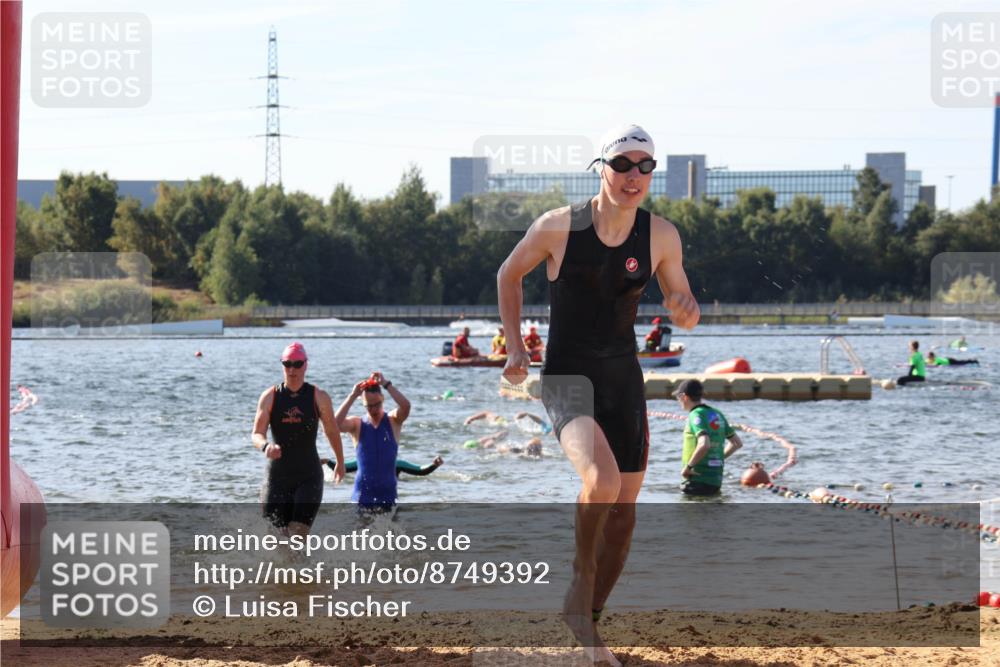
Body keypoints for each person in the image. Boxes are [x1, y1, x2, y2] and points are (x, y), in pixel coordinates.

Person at [497, 123, 699, 666]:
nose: (634, 176)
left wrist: (686, 307)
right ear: (602, 168)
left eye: (645, 167)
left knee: (625, 513)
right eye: (624, 165)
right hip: (567, 374)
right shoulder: (559, 227)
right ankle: (578, 591)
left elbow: (680, 292)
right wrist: (516, 348)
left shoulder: (661, 235)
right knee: (602, 480)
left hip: (622, 378)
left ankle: (587, 617)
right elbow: (508, 275)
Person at [253, 342, 345, 536]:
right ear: (282, 365)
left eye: (297, 364)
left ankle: (304, 567)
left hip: (308, 476)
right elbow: (257, 433)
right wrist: (265, 446)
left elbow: (332, 431)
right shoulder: (270, 397)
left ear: (306, 365)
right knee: (275, 542)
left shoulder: (319, 397)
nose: (292, 369)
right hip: (276, 477)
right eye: (287, 364)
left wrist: (341, 462)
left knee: (297, 539)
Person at [335, 372, 411, 512]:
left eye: (377, 404)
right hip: (362, 495)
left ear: (382, 398)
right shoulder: (357, 424)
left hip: (388, 495)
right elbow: (335, 425)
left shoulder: (393, 420)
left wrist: (387, 384)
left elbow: (405, 406)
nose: (373, 409)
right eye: (369, 406)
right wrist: (352, 396)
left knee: (391, 533)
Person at [674, 380, 743, 496]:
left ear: (684, 397)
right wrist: (718, 458)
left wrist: (688, 467)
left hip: (696, 479)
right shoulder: (717, 414)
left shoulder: (695, 415)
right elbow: (737, 443)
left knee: (688, 513)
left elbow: (704, 444)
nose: (678, 401)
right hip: (715, 480)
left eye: (678, 398)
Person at [322, 455, 444, 478]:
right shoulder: (363, 461)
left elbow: (420, 471)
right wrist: (328, 461)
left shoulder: (395, 463)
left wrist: (434, 465)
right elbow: (343, 468)